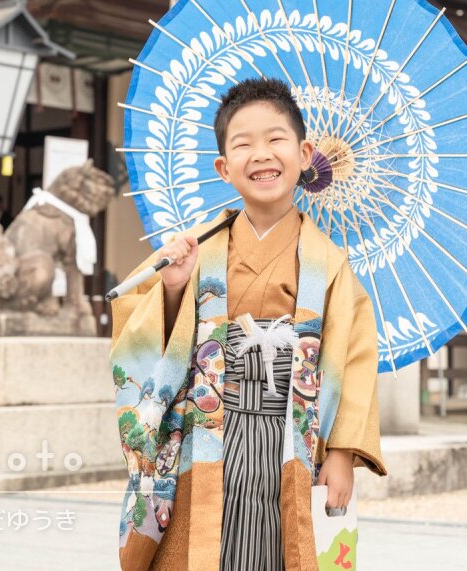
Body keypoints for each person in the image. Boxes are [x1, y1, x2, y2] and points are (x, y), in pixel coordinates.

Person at [110, 78, 386, 570]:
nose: (261, 154)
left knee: (280, 550)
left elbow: (355, 359)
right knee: (201, 548)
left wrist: (342, 452)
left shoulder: (331, 264)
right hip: (204, 435)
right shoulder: (194, 248)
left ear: (304, 154)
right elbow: (137, 330)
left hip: (291, 437)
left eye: (276, 139)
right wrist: (173, 288)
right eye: (243, 144)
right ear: (224, 167)